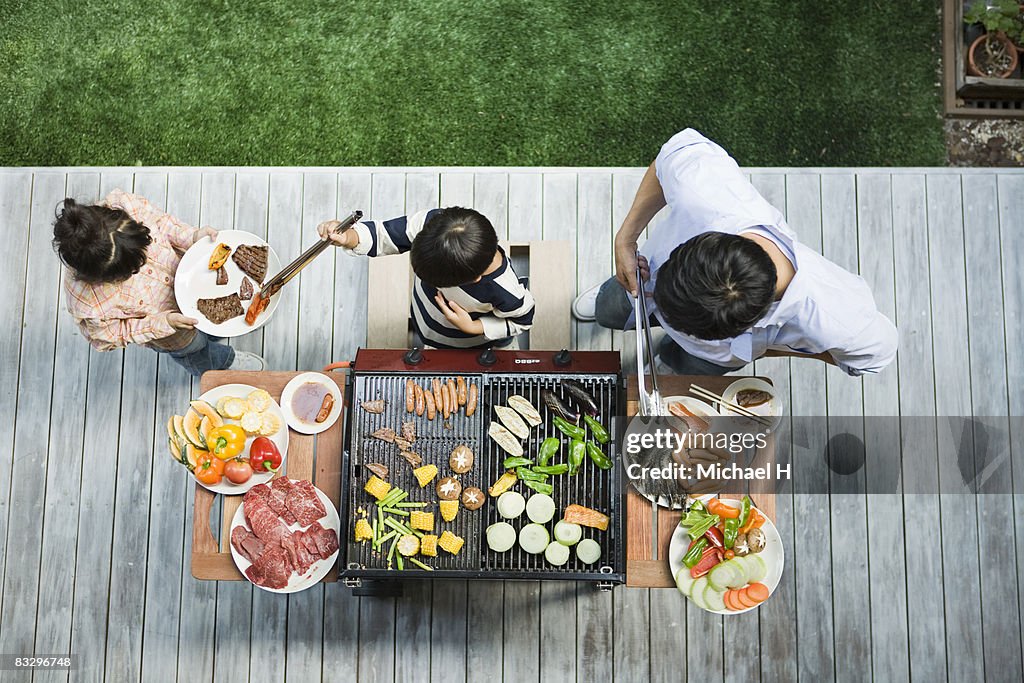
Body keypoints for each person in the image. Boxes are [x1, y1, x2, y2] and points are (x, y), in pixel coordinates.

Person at [572, 128, 898, 376]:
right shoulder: (711, 196)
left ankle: (669, 361)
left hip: (713, 356)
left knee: (683, 368)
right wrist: (626, 239)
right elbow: (672, 155)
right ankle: (611, 306)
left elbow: (874, 356)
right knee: (610, 308)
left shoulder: (836, 316)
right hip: (640, 279)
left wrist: (777, 348)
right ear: (707, 241)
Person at [53, 190, 265, 376]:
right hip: (174, 331)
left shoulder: (125, 204)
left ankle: (218, 332)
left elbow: (163, 224)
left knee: (217, 322)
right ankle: (221, 362)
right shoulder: (88, 303)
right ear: (101, 277)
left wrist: (192, 237)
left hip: (198, 286)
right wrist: (163, 323)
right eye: (133, 269)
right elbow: (109, 336)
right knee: (196, 349)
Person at [318, 207, 534, 349]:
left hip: (468, 338)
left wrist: (473, 327)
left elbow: (522, 321)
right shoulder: (433, 225)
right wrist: (349, 237)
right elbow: (386, 235)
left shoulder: (506, 291)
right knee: (427, 332)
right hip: (426, 313)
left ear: (474, 279)